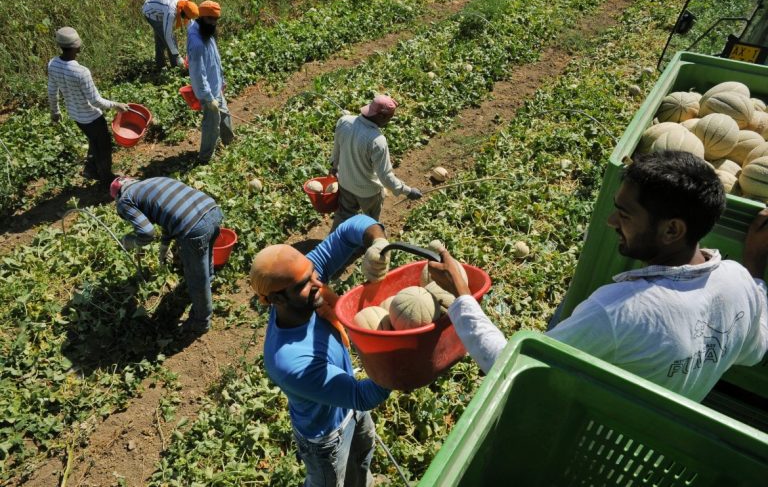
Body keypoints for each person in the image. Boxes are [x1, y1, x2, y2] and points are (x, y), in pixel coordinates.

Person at [428, 151, 768, 402]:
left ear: (672, 230)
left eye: (624, 213)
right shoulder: (740, 282)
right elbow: (754, 351)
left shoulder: (619, 312)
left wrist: (462, 295)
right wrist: (754, 263)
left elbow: (511, 366)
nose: (610, 221)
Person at [250, 214, 393, 486]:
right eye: (305, 284)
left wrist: (377, 243)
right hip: (328, 437)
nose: (318, 283)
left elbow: (352, 227)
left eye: (312, 273)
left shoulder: (303, 282)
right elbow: (362, 395)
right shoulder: (289, 360)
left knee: (362, 462)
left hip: (352, 409)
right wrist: (399, 355)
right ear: (276, 299)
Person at [111, 176, 223, 334]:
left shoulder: (124, 201)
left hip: (193, 228)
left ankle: (201, 321)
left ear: (117, 196)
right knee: (206, 251)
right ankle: (209, 278)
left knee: (196, 278)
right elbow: (169, 214)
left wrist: (131, 241)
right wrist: (164, 246)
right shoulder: (153, 182)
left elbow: (147, 233)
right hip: (212, 209)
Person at [47, 27, 130, 189]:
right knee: (104, 146)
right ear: (77, 47)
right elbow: (95, 100)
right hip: (92, 117)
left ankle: (91, 169)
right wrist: (117, 106)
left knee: (93, 140)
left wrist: (55, 111)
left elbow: (52, 91)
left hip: (76, 116)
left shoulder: (53, 64)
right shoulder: (81, 72)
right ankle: (107, 178)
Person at [330, 95, 423, 230]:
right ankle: (367, 243)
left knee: (343, 215)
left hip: (345, 184)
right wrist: (408, 191)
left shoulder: (344, 122)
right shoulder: (377, 141)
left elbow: (336, 150)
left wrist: (334, 167)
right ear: (381, 117)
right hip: (368, 193)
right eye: (389, 118)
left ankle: (334, 245)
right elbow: (385, 177)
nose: (389, 121)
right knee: (370, 222)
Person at [187, 0, 233, 165]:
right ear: (202, 17)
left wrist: (222, 80)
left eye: (216, 20)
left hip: (216, 86)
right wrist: (208, 98)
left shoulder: (206, 31)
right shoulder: (197, 43)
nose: (213, 23)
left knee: (225, 115)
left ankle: (230, 144)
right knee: (211, 126)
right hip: (209, 93)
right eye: (210, 20)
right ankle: (205, 159)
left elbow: (214, 59)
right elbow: (198, 74)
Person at [142, 0, 199, 70]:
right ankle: (176, 67)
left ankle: (160, 65)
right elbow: (168, 35)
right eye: (187, 17)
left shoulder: (186, 5)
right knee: (169, 39)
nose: (187, 19)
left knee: (160, 39)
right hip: (151, 10)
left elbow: (191, 27)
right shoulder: (171, 11)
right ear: (182, 12)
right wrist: (177, 56)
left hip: (160, 5)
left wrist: (190, 50)